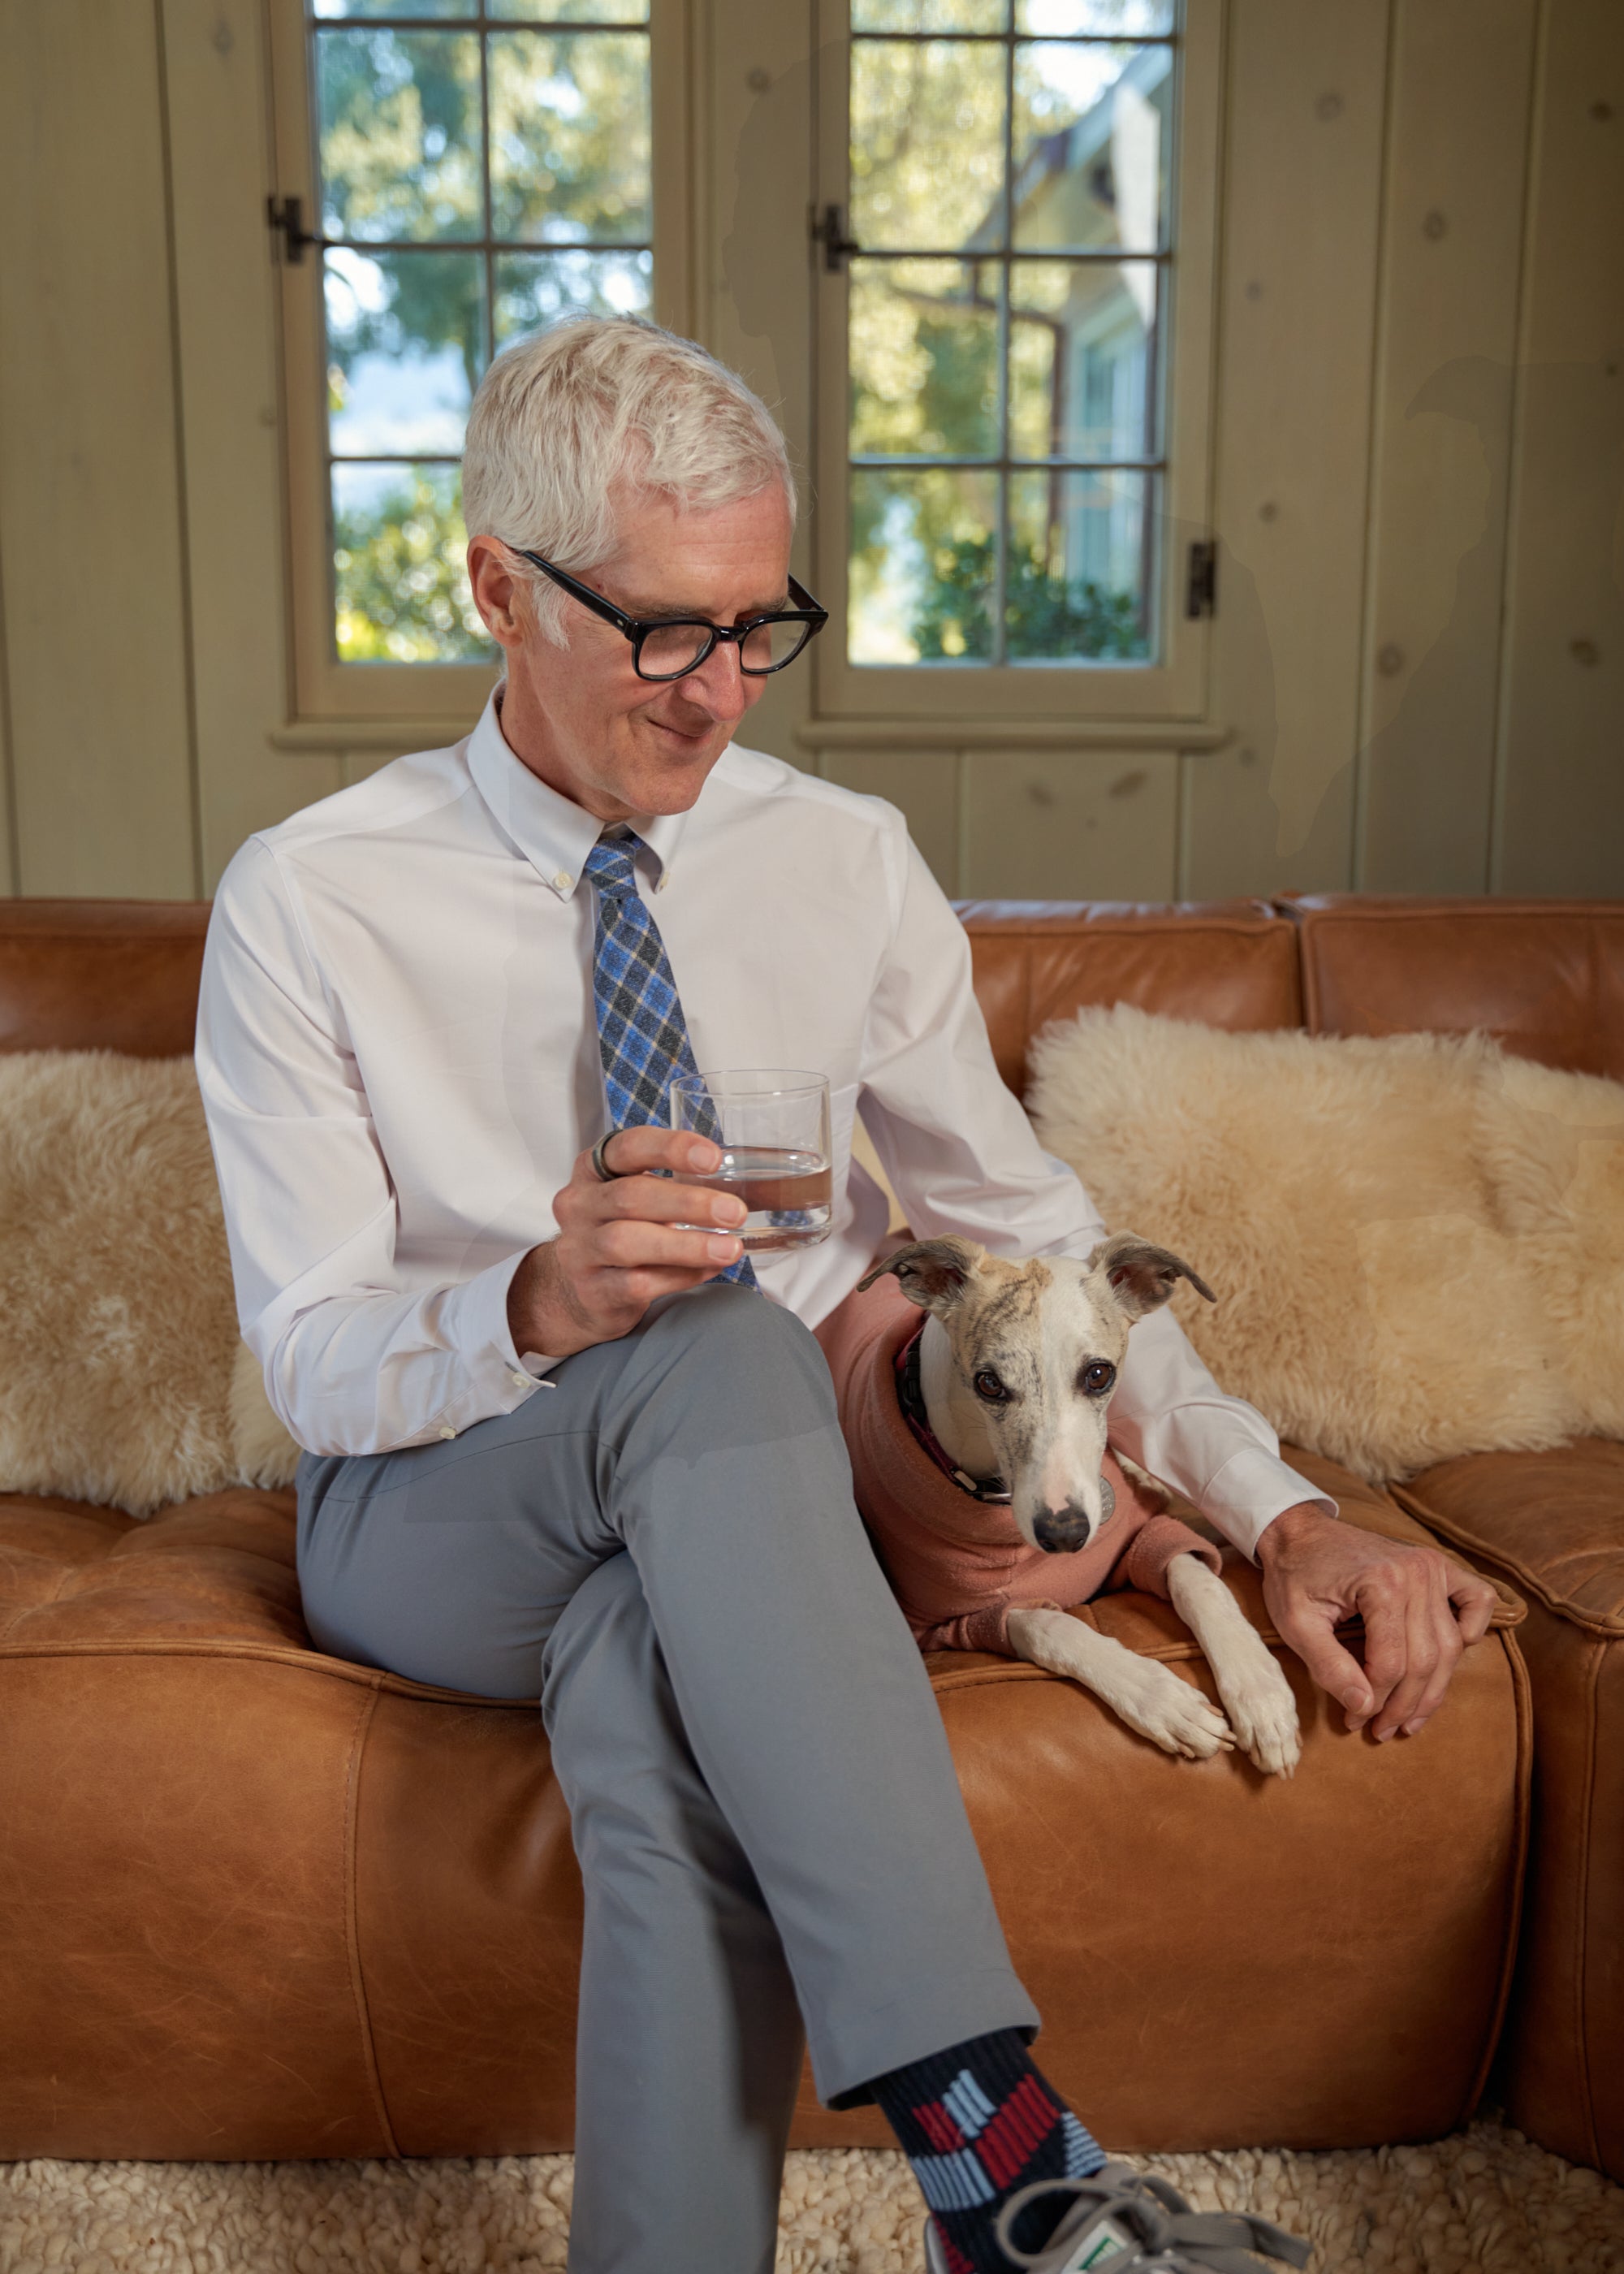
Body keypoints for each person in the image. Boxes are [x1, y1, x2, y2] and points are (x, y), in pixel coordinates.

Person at [197, 316, 1499, 2274]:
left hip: (744, 1528)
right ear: (493, 584)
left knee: (657, 1670)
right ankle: (1007, 2155)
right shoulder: (311, 896)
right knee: (714, 1339)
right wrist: (537, 1302)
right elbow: (311, 1353)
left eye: (757, 623)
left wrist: (1279, 1506)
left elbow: (1028, 1227)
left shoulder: (842, 862)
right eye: (662, 629)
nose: (720, 691)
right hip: (432, 1492)